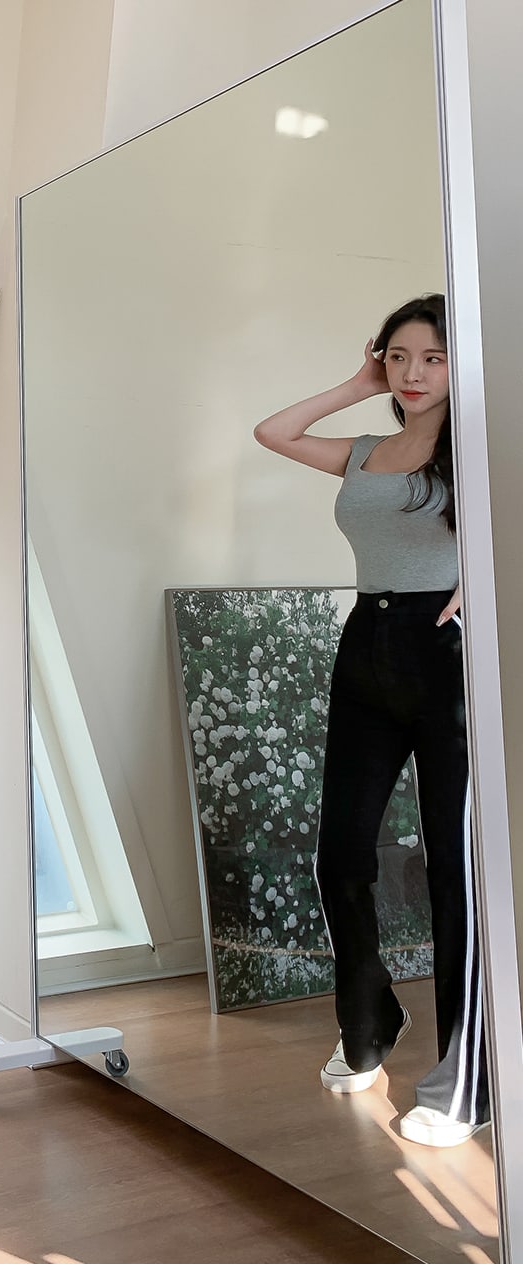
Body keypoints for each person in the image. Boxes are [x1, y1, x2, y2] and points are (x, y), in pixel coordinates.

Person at [253, 294, 488, 1148]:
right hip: (367, 645)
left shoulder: (482, 447)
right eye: (399, 357)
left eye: (433, 358)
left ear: (462, 365)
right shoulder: (364, 452)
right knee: (342, 854)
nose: (414, 373)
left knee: (452, 866)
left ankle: (470, 1075)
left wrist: (489, 581)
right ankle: (369, 1020)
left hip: (447, 652)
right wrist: (358, 383)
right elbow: (273, 432)